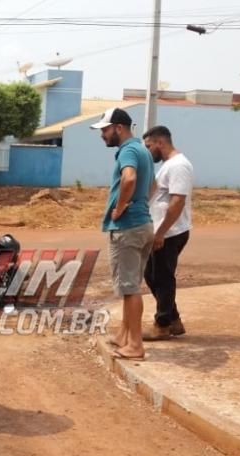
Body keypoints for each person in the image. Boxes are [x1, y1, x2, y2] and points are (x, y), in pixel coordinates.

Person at [90, 108, 154, 360]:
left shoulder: (128, 150)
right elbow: (154, 185)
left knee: (129, 289)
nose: (102, 135)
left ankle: (135, 346)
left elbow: (129, 179)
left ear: (118, 127)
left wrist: (119, 208)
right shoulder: (143, 150)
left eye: (105, 130)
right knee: (132, 286)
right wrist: (138, 205)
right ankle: (124, 335)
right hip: (142, 224)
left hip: (128, 228)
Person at [142, 126, 194, 340]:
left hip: (171, 232)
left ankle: (162, 325)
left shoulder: (179, 165)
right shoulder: (168, 165)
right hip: (163, 230)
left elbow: (177, 201)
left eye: (149, 146)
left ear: (160, 143)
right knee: (151, 275)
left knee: (163, 277)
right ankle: (173, 320)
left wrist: (161, 233)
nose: (147, 151)